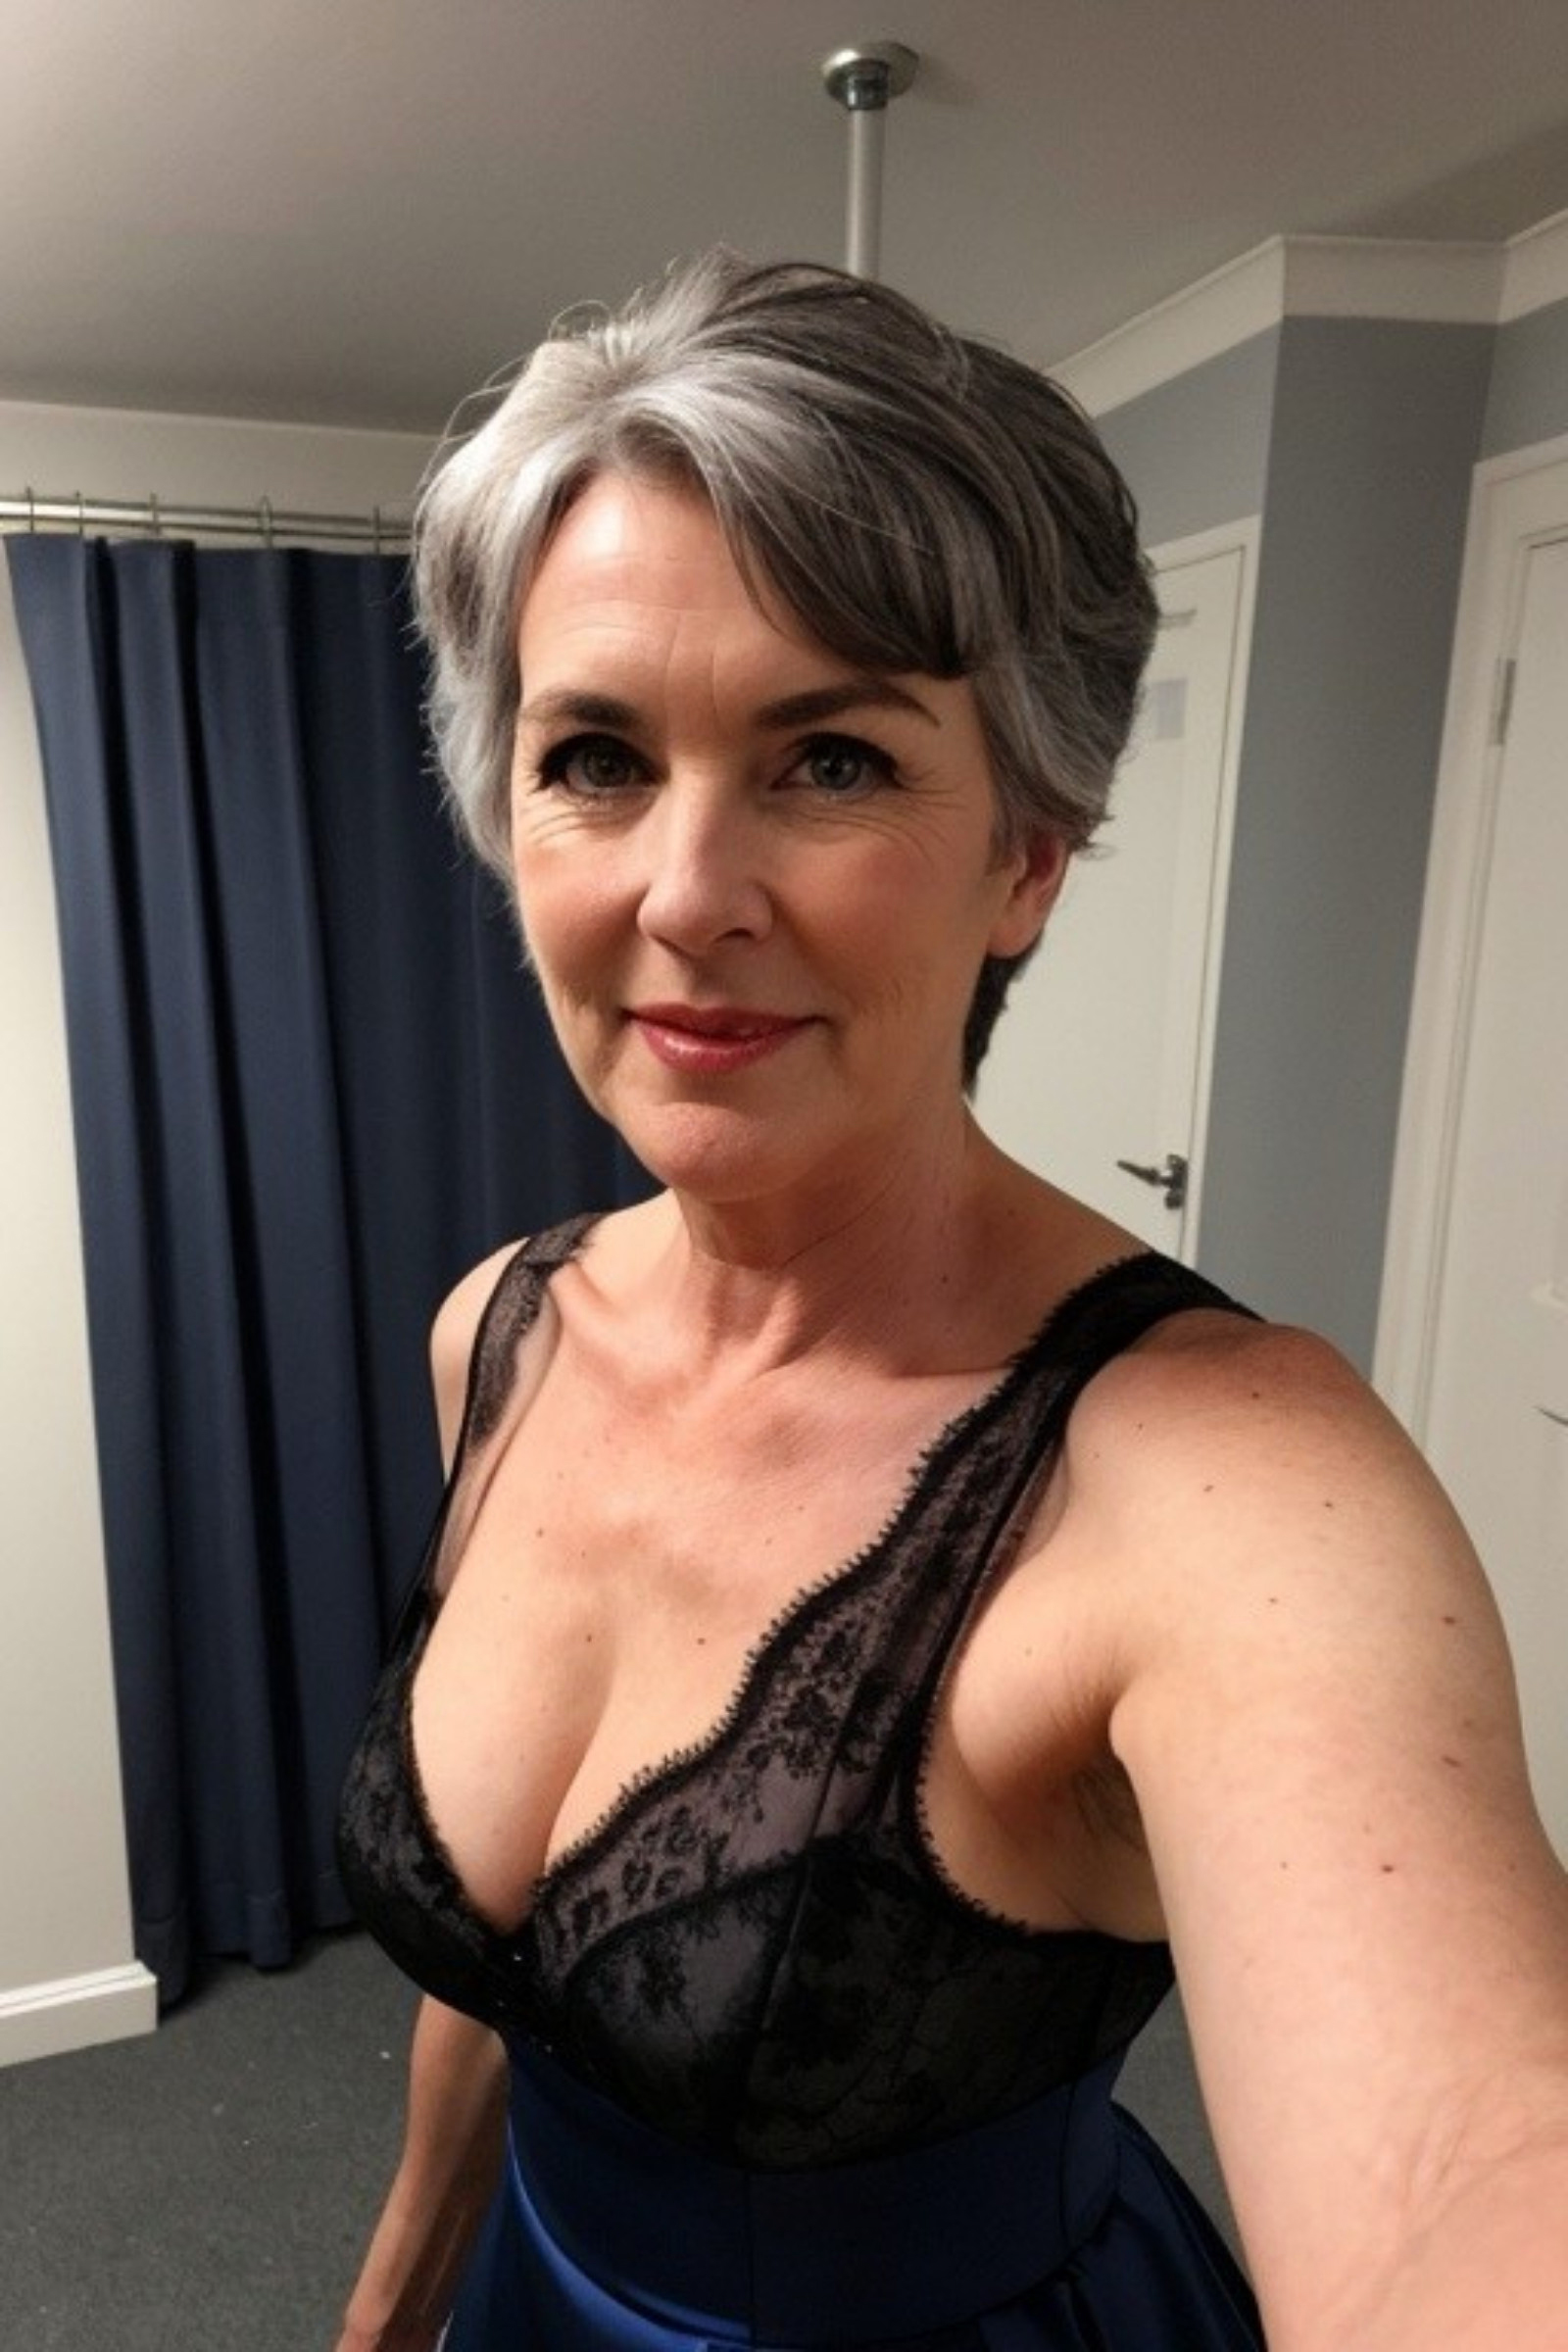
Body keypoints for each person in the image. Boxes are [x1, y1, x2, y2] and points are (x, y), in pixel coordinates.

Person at [334, 251, 1568, 2352]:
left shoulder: (1227, 1489)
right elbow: (511, 1978)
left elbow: (1474, 2166)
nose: (684, 894)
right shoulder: (501, 1331)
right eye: (596, 757)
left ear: (1028, 854)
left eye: (828, 760)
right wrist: (388, 2314)